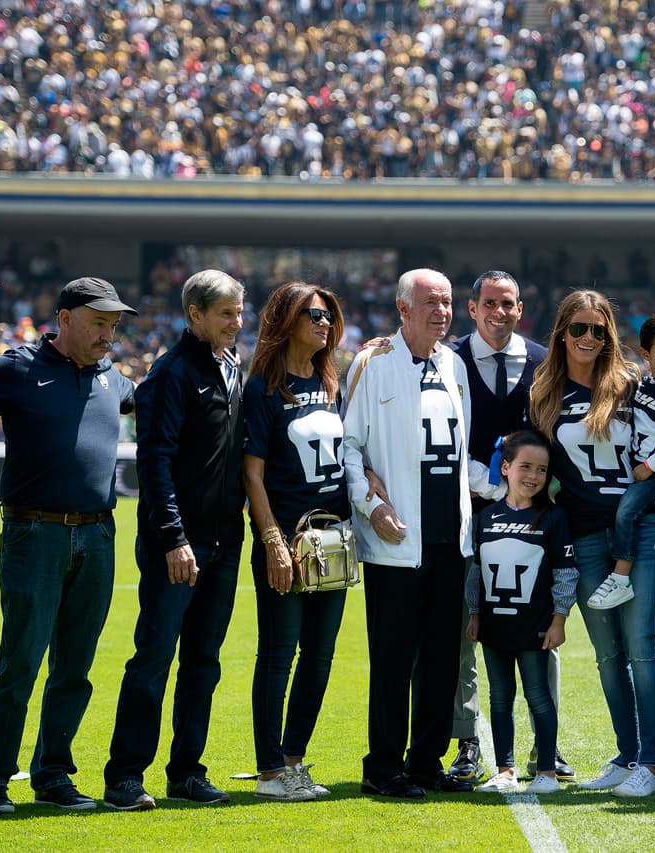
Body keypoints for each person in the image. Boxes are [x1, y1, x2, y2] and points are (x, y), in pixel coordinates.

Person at [0, 278, 137, 814]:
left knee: (75, 667)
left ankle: (52, 775)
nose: (108, 334)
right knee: (20, 659)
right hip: (33, 532)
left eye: (114, 324)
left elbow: (168, 394)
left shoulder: (116, 380)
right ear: (64, 319)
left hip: (98, 533)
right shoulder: (15, 369)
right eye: (98, 322)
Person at [341, 268, 489, 799]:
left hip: (451, 539)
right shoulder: (372, 363)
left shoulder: (453, 364)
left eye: (448, 303)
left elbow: (463, 447)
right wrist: (370, 503)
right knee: (393, 660)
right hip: (396, 541)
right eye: (431, 303)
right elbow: (348, 447)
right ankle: (383, 767)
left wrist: (500, 486)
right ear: (403, 308)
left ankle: (425, 763)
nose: (442, 312)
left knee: (442, 660)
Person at [103, 270, 246, 811]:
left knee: (203, 662)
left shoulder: (232, 368)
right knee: (155, 657)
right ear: (195, 315)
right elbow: (154, 462)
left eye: (239, 312)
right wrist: (173, 538)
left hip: (224, 544)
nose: (236, 323)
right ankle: (124, 777)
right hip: (178, 546)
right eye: (226, 314)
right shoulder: (170, 373)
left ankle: (187, 771)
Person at [528, 289, 655, 799]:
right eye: (579, 328)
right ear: (562, 333)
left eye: (599, 330)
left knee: (642, 647)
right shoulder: (543, 393)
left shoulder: (632, 386)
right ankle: (627, 753)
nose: (589, 338)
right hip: (585, 534)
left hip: (640, 529)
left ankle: (651, 764)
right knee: (608, 656)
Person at [444, 270, 572, 784]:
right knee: (467, 628)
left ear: (521, 309)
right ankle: (468, 741)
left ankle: (548, 745)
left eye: (510, 303)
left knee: (540, 625)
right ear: (472, 308)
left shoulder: (545, 362)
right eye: (490, 303)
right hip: (467, 511)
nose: (500, 312)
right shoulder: (447, 358)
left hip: (531, 515)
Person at [241, 281, 349, 802]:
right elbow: (253, 476)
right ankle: (267, 772)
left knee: (321, 655)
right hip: (286, 535)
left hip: (332, 540)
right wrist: (272, 542)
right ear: (286, 318)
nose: (324, 323)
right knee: (279, 653)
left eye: (328, 315)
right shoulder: (264, 384)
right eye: (313, 314)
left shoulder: (332, 379)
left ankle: (293, 761)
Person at [466, 430, 577, 796]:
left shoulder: (554, 516)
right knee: (499, 696)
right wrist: (475, 614)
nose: (533, 476)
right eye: (525, 466)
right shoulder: (484, 515)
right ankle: (505, 769)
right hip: (495, 625)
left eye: (542, 470)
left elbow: (564, 573)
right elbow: (475, 571)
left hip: (535, 626)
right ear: (507, 467)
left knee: (538, 696)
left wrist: (559, 619)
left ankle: (546, 770)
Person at [586, 313, 655, 610]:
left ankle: (621, 578)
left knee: (626, 514)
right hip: (636, 471)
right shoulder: (642, 385)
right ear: (646, 353)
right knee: (619, 514)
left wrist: (650, 468)